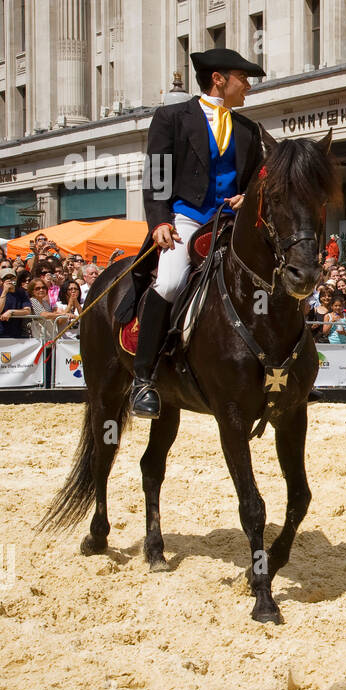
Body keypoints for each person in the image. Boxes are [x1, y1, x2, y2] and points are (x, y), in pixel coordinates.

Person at [131, 46, 266, 418]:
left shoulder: (248, 130)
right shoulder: (171, 117)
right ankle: (144, 379)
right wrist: (159, 221)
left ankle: (282, 372)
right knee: (172, 282)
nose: (249, 87)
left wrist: (247, 197)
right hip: (186, 219)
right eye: (244, 79)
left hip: (230, 222)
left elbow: (256, 179)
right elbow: (157, 175)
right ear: (219, 80)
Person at [0, 267, 33, 338]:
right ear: (1, 281)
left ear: (16, 279)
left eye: (12, 277)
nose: (9, 280)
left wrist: (11, 312)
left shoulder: (22, 292)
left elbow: (27, 311)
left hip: (17, 335)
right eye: (6, 278)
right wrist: (4, 292)